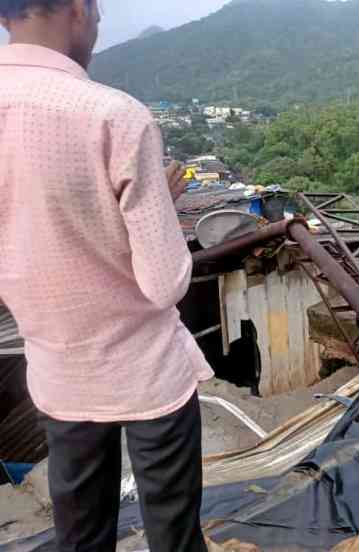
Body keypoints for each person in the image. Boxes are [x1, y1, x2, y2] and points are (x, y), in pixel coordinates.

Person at [0, 2, 213, 551]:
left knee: (81, 534)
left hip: (59, 372)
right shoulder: (112, 115)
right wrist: (158, 214)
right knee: (172, 531)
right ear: (78, 8)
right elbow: (164, 283)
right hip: (146, 374)